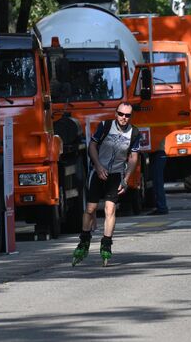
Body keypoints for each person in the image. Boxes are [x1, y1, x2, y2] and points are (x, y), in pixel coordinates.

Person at [72, 102, 141, 266]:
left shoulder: (135, 132)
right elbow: (92, 145)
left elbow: (133, 158)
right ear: (116, 113)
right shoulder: (105, 125)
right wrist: (97, 165)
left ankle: (106, 244)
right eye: (121, 114)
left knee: (110, 209)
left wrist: (126, 179)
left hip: (116, 174)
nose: (124, 118)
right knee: (91, 208)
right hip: (98, 172)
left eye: (127, 115)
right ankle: (84, 240)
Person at [148, 148, 168, 215]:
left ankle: (162, 207)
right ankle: (160, 206)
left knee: (158, 182)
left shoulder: (157, 138)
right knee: (157, 183)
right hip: (157, 154)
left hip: (158, 154)